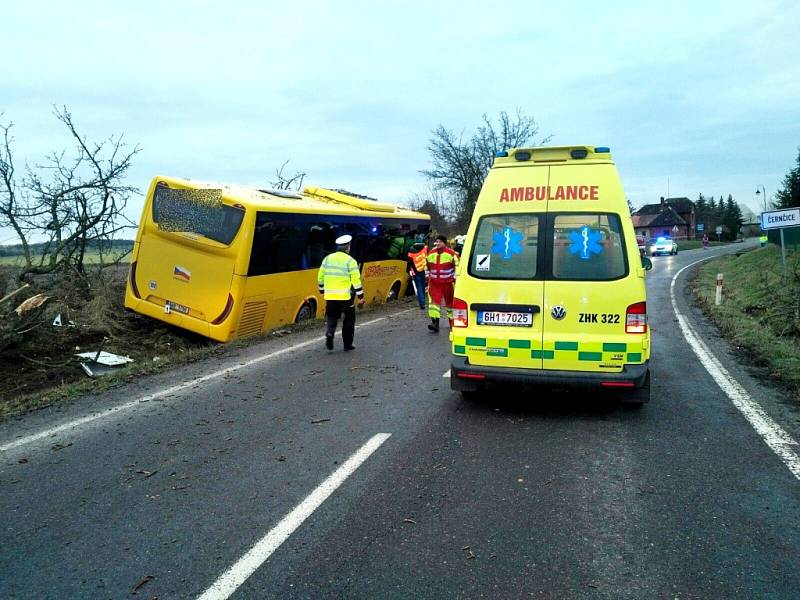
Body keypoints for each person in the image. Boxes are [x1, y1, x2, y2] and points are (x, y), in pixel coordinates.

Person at [317, 234, 365, 351]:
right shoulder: (350, 261)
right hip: (345, 296)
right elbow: (356, 280)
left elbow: (320, 277)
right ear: (348, 247)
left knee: (332, 316)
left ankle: (330, 332)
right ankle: (347, 344)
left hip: (330, 295)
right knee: (349, 319)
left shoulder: (327, 259)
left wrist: (322, 290)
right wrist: (360, 296)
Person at [426, 234, 459, 333]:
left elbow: (457, 266)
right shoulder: (431, 253)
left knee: (450, 304)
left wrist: (455, 277)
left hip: (448, 283)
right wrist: (427, 276)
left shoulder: (451, 253)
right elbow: (427, 266)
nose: (437, 243)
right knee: (433, 304)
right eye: (436, 241)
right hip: (434, 283)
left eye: (440, 241)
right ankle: (435, 324)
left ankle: (452, 323)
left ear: (444, 243)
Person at [406, 242, 428, 310]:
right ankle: (423, 301)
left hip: (416, 272)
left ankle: (422, 304)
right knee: (423, 286)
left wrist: (407, 271)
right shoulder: (424, 249)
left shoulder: (411, 253)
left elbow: (409, 263)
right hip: (423, 270)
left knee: (419, 288)